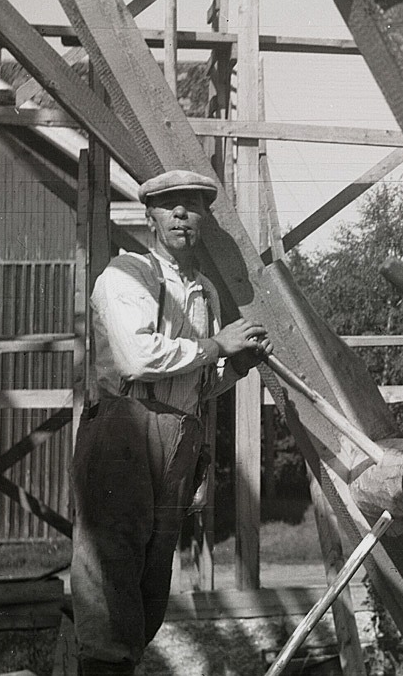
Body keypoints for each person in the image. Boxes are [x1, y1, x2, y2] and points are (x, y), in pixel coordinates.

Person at [72, 169, 272, 675]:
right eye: (170, 206)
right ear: (151, 217)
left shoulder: (202, 291)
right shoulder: (125, 275)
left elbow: (197, 383)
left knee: (152, 577)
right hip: (124, 431)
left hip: (178, 436)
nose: (181, 214)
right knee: (110, 571)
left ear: (203, 218)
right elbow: (138, 360)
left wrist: (236, 367)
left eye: (192, 206)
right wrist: (215, 346)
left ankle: (126, 663)